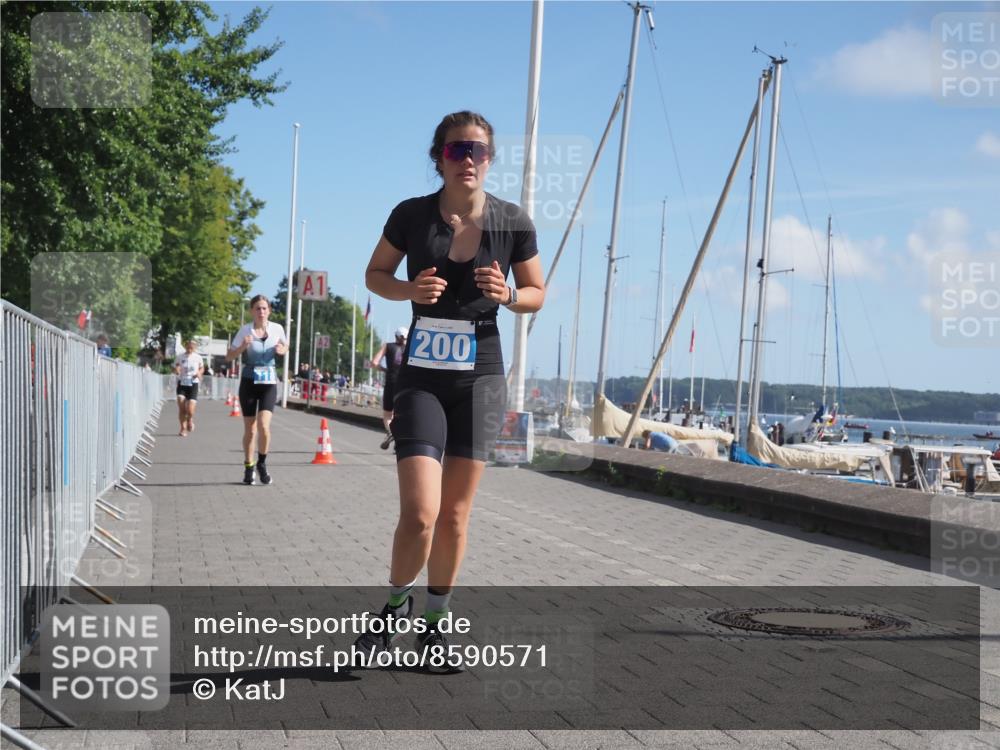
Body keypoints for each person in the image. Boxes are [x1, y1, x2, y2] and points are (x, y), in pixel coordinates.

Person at [355, 111, 545, 671]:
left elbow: (538, 291)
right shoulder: (411, 215)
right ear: (438, 156)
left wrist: (509, 296)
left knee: (455, 517)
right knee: (420, 513)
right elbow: (374, 276)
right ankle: (392, 609)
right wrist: (408, 288)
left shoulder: (512, 222)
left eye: (479, 151)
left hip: (481, 379)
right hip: (422, 379)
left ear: (490, 159)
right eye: (457, 149)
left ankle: (434, 627)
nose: (468, 159)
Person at [226, 295, 288, 486]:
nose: (261, 312)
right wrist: (243, 347)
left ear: (269, 310)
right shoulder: (245, 330)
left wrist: (281, 350)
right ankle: (248, 466)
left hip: (269, 382)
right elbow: (229, 356)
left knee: (264, 425)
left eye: (264, 308)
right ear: (252, 311)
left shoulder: (277, 328)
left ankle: (262, 463)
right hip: (249, 382)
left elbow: (286, 347)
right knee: (250, 430)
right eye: (257, 308)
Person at [370, 326, 408, 450]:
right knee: (402, 413)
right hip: (405, 383)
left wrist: (384, 369)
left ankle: (391, 432)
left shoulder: (388, 346)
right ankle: (401, 440)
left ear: (396, 336)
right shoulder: (410, 348)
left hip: (391, 381)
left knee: (388, 414)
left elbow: (374, 363)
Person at [173, 339, 205, 436]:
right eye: (188, 347)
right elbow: (176, 366)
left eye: (192, 347)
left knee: (190, 410)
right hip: (182, 382)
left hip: (193, 383)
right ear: (185, 346)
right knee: (181, 406)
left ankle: (190, 419)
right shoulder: (180, 356)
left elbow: (202, 368)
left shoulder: (198, 357)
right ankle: (183, 428)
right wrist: (177, 370)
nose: (190, 349)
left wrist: (199, 373)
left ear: (195, 348)